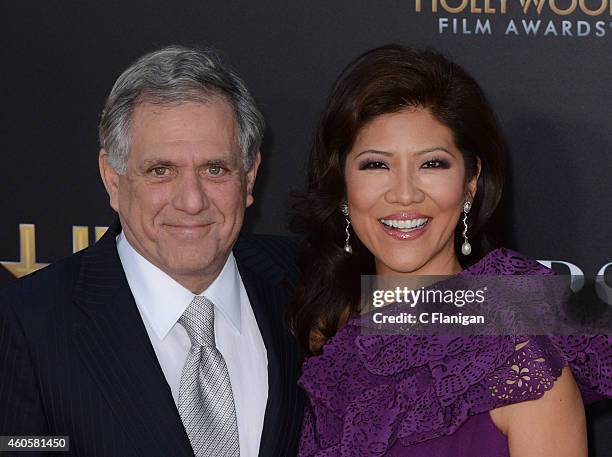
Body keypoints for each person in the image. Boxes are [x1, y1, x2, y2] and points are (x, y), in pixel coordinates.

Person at [289, 44, 611, 456]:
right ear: (342, 186)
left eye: (432, 164)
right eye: (376, 164)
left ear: (471, 181)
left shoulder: (518, 357)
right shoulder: (323, 334)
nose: (404, 194)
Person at [0, 46, 303, 457]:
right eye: (161, 171)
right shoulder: (26, 322)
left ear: (249, 177)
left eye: (215, 169)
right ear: (113, 178)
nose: (192, 201)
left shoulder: (309, 279)